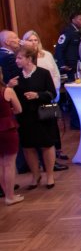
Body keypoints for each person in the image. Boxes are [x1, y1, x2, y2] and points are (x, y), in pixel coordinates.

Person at [12, 46, 60, 189]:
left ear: (29, 59)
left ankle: (50, 175)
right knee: (28, 147)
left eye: (20, 58)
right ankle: (35, 175)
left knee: (46, 144)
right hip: (25, 117)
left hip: (42, 115)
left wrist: (38, 95)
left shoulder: (43, 73)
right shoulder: (16, 77)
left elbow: (52, 93)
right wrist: (10, 86)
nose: (16, 61)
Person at [22, 31, 66, 167]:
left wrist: (56, 91)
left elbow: (55, 73)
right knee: (40, 132)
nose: (33, 42)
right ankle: (43, 161)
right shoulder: (25, 57)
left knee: (51, 127)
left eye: (36, 40)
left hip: (49, 95)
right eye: (30, 40)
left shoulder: (46, 54)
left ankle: (56, 154)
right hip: (34, 100)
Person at [0, 70, 23, 205]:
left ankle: (7, 194)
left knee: (1, 164)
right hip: (7, 128)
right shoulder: (7, 91)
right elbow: (19, 109)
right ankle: (10, 196)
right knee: (9, 164)